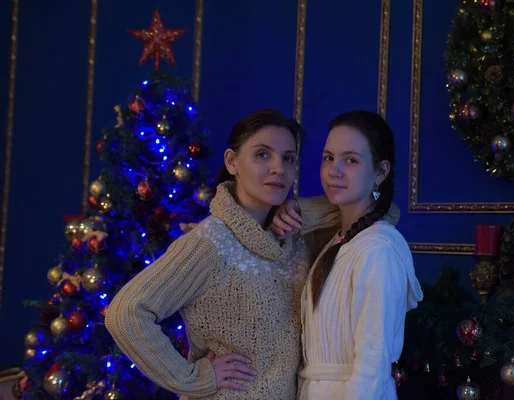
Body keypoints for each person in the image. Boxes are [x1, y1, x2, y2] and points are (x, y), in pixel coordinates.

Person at [105, 109, 339, 399]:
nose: (279, 168)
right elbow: (125, 312)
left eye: (288, 158)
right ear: (232, 162)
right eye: (263, 155)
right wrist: (192, 379)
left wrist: (302, 210)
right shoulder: (210, 242)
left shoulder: (296, 239)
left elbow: (375, 208)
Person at [273, 111, 423, 399]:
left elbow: (372, 365)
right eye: (328, 157)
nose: (334, 171)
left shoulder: (379, 249)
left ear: (380, 172)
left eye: (351, 160)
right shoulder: (337, 242)